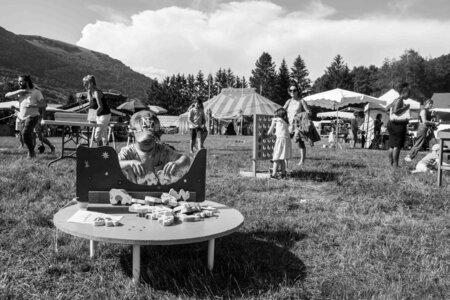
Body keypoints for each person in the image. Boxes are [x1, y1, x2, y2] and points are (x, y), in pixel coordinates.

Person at [118, 110, 190, 185]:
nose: (148, 140)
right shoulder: (128, 152)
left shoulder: (163, 150)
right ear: (132, 133)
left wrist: (177, 163)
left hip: (159, 193)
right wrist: (130, 163)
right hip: (133, 193)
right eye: (143, 138)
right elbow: (115, 164)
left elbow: (186, 159)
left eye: (151, 137)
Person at [5, 75, 41, 158]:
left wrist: (33, 105)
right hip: (22, 117)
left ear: (27, 81)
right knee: (24, 136)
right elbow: (7, 95)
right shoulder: (19, 92)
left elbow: (43, 104)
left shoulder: (36, 92)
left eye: (21, 81)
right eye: (18, 81)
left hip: (33, 116)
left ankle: (31, 152)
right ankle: (32, 152)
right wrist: (20, 91)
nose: (19, 83)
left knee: (26, 134)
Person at [283, 84, 310, 166]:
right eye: (290, 90)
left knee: (300, 143)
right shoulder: (288, 101)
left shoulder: (301, 101)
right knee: (285, 143)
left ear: (298, 91)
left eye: (294, 90)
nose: (292, 92)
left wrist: (301, 116)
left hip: (298, 126)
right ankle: (285, 161)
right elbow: (282, 111)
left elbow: (308, 112)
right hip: (289, 125)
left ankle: (302, 161)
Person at [386, 83, 411, 168]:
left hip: (391, 124)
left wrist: (391, 116)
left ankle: (391, 163)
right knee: (397, 145)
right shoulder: (400, 100)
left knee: (392, 145)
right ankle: (395, 164)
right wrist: (406, 107)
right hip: (397, 125)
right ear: (404, 93)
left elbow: (387, 109)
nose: (409, 96)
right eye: (409, 94)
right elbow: (396, 111)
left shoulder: (395, 100)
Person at [83, 75, 111, 146]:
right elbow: (91, 106)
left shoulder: (96, 92)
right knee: (104, 135)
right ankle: (106, 151)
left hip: (105, 115)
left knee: (97, 136)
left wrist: (92, 117)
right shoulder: (90, 92)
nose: (84, 85)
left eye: (86, 83)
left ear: (91, 83)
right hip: (99, 115)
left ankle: (100, 152)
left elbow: (100, 107)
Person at [267, 107, 292, 179]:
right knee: (282, 158)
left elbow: (270, 131)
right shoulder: (286, 122)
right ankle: (283, 174)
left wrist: (266, 135)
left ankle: (274, 174)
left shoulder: (276, 120)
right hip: (287, 140)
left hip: (280, 140)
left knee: (276, 158)